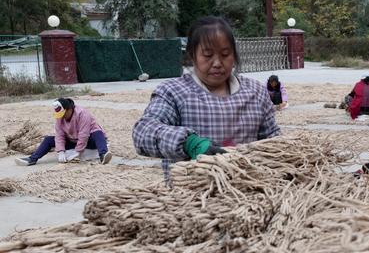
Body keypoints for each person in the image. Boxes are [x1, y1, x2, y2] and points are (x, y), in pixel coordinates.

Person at [132, 16, 280, 174]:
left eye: (225, 54)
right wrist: (189, 143)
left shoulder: (256, 92)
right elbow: (143, 132)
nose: (217, 63)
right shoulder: (173, 92)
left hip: (244, 190)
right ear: (192, 55)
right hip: (189, 192)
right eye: (208, 55)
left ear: (234, 55)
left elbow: (272, 139)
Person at [15, 97, 111, 166]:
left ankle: (103, 154)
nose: (61, 116)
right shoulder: (59, 116)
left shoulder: (82, 113)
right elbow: (59, 135)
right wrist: (60, 151)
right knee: (48, 139)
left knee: (97, 132)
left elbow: (84, 134)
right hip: (73, 140)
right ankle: (32, 159)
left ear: (69, 109)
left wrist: (78, 151)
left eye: (63, 113)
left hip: (90, 140)